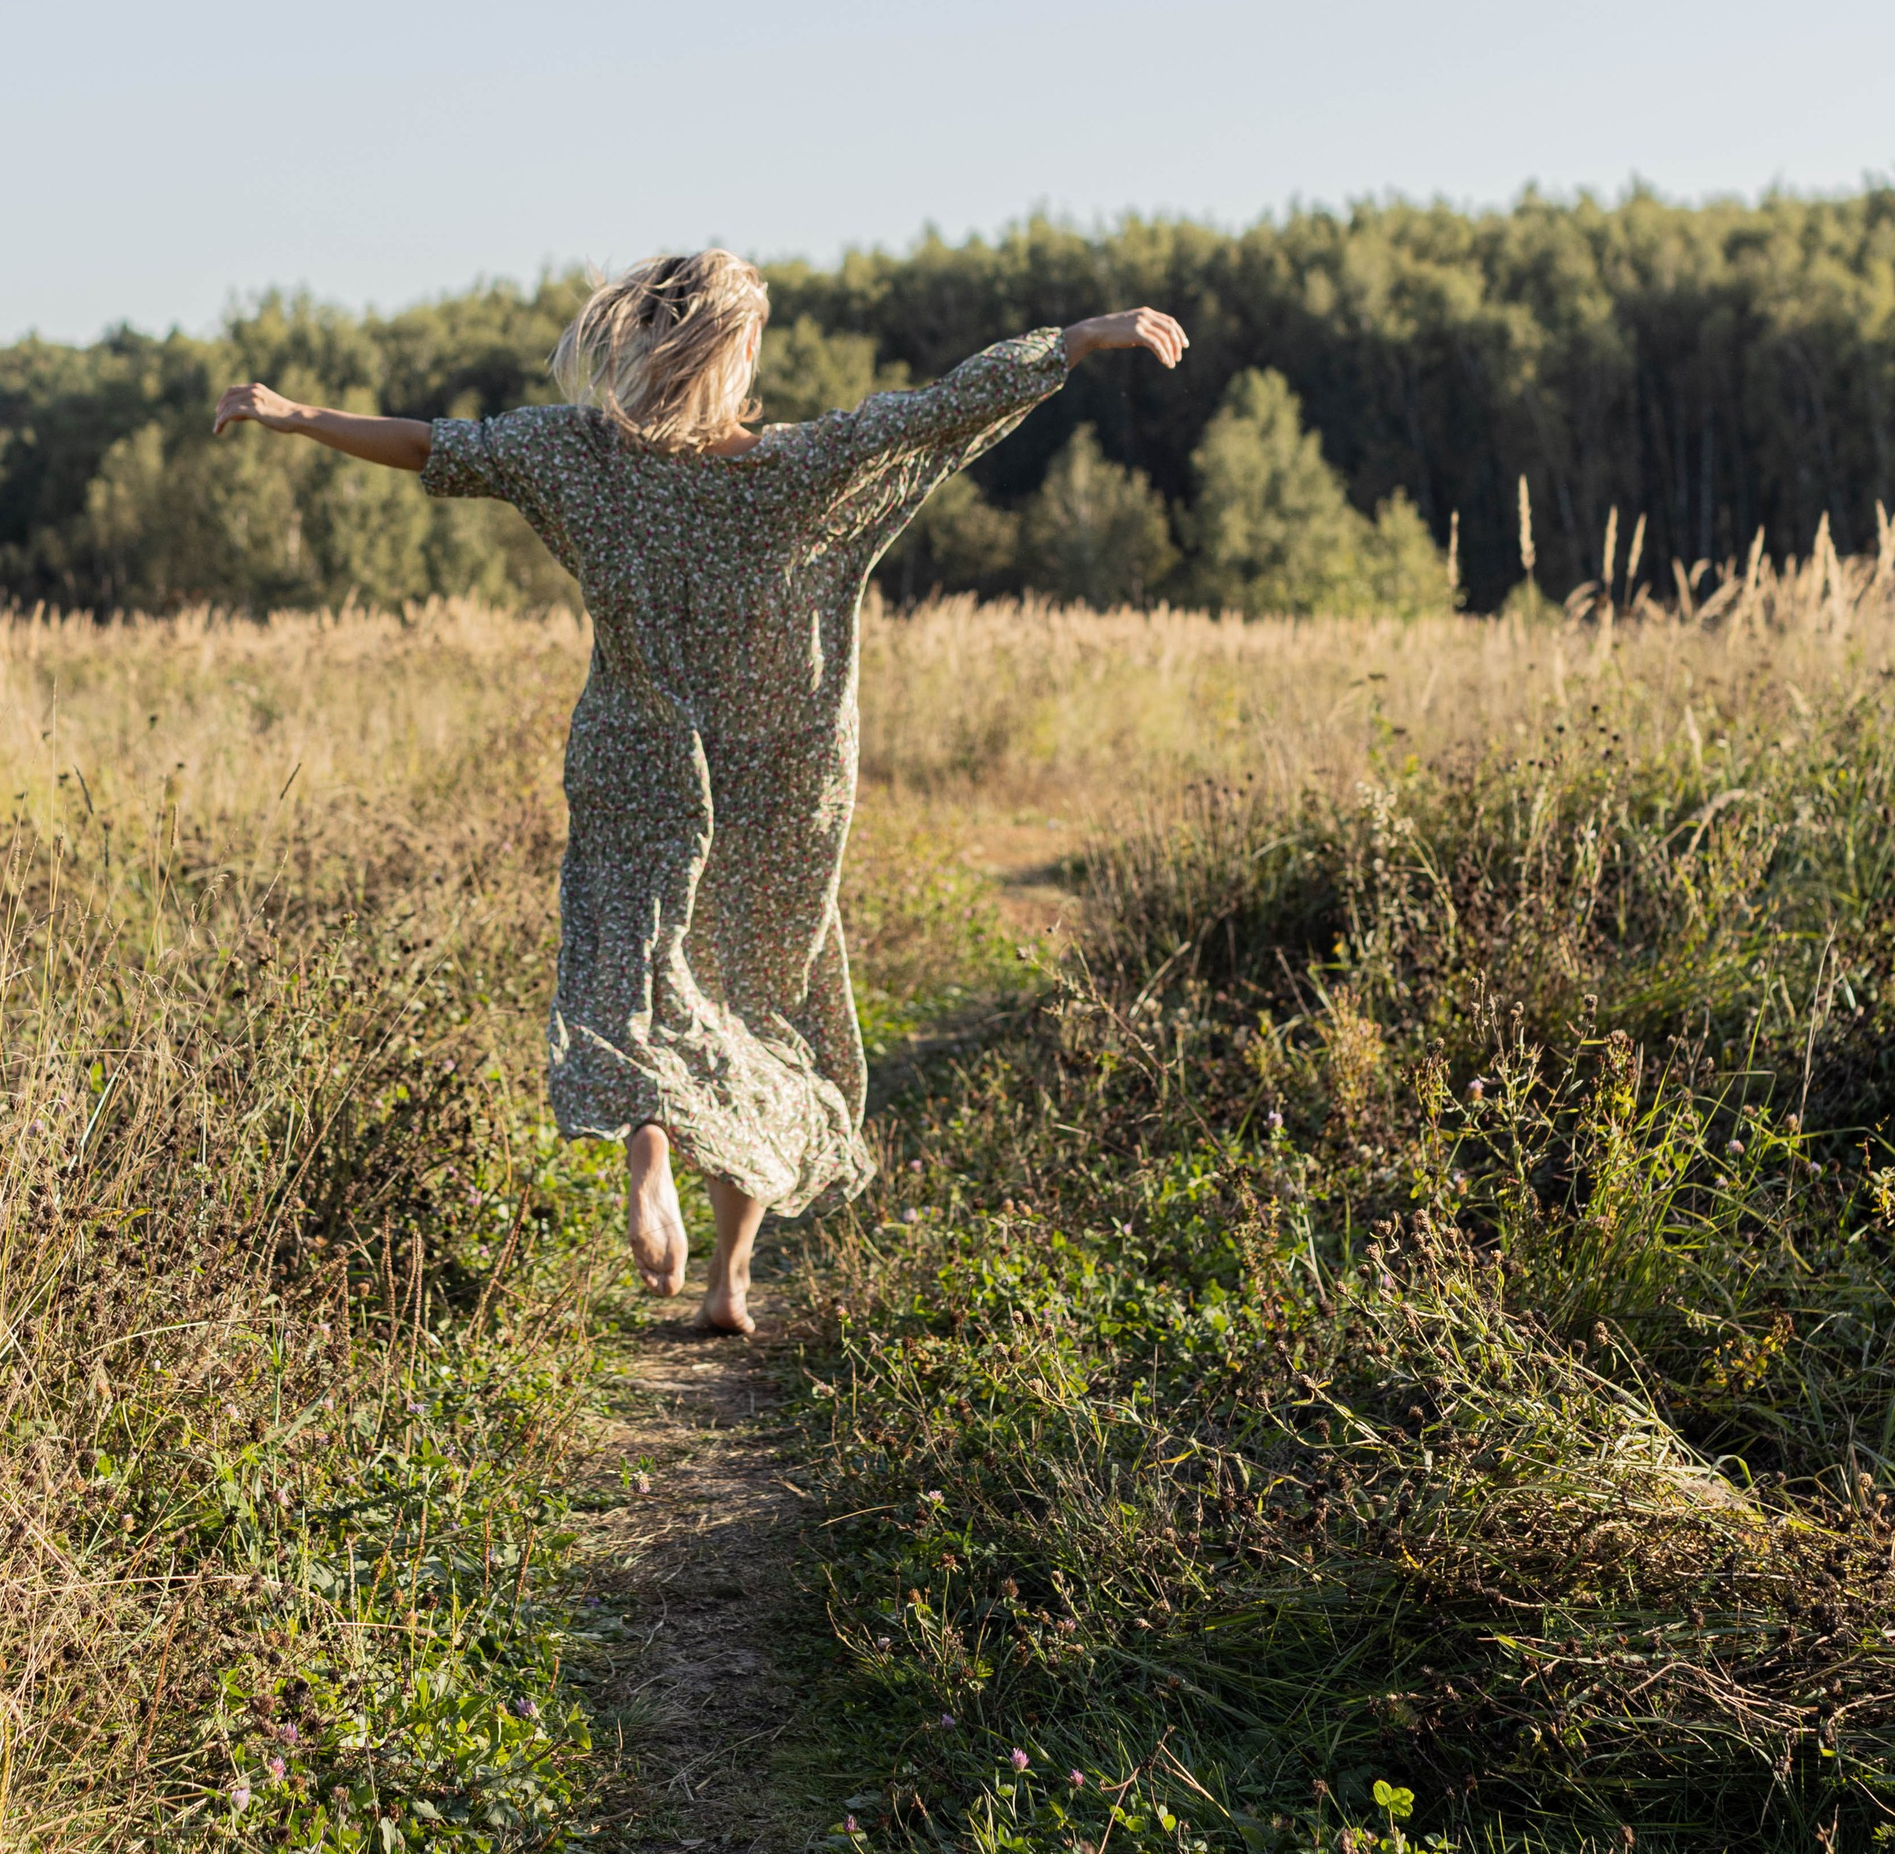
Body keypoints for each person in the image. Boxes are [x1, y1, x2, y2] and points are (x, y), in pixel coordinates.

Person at [214, 254, 1186, 1333]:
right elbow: (937, 411)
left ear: (639, 344)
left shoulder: (577, 455)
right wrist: (1073, 338)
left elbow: (431, 444)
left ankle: (649, 1155)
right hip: (777, 782)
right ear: (738, 353)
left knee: (634, 968)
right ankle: (729, 1280)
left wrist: (296, 412)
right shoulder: (797, 467)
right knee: (759, 1007)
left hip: (636, 765)